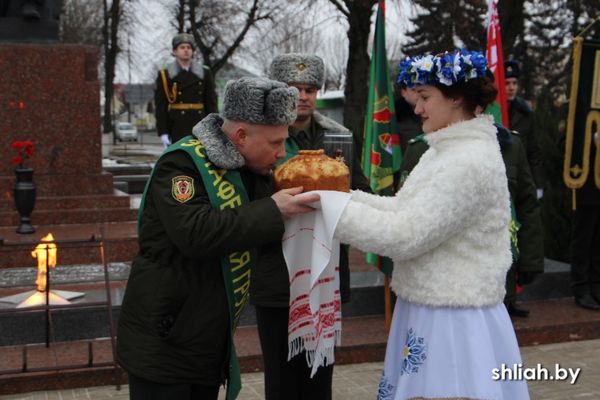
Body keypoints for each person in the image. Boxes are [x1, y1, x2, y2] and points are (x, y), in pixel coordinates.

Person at [335, 50, 529, 399]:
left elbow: (406, 235)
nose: (417, 107)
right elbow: (402, 209)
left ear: (457, 97)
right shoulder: (445, 151)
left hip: (453, 321)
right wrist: (337, 199)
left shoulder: (466, 160)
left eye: (425, 97)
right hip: (433, 307)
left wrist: (331, 214)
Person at [117, 77, 320, 400]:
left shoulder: (248, 170)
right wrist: (273, 209)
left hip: (205, 345)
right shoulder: (182, 163)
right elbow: (195, 233)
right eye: (274, 143)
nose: (282, 153)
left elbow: (261, 236)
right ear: (240, 136)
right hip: (163, 343)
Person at [248, 53, 370, 400]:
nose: (303, 96)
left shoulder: (339, 139)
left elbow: (360, 192)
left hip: (326, 274)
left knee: (319, 377)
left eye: (310, 89)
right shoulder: (261, 140)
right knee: (281, 378)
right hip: (277, 276)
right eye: (294, 88)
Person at [154, 33, 208, 148]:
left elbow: (210, 102)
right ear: (175, 51)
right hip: (177, 125)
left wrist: (214, 127)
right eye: (182, 47)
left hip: (200, 123)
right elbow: (161, 106)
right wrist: (163, 132)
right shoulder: (165, 74)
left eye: (189, 48)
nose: (186, 50)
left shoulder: (204, 73)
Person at [505, 59, 545, 199]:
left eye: (514, 83)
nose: (511, 88)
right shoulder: (492, 112)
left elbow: (534, 151)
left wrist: (538, 184)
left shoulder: (525, 113)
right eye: (507, 83)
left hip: (521, 178)